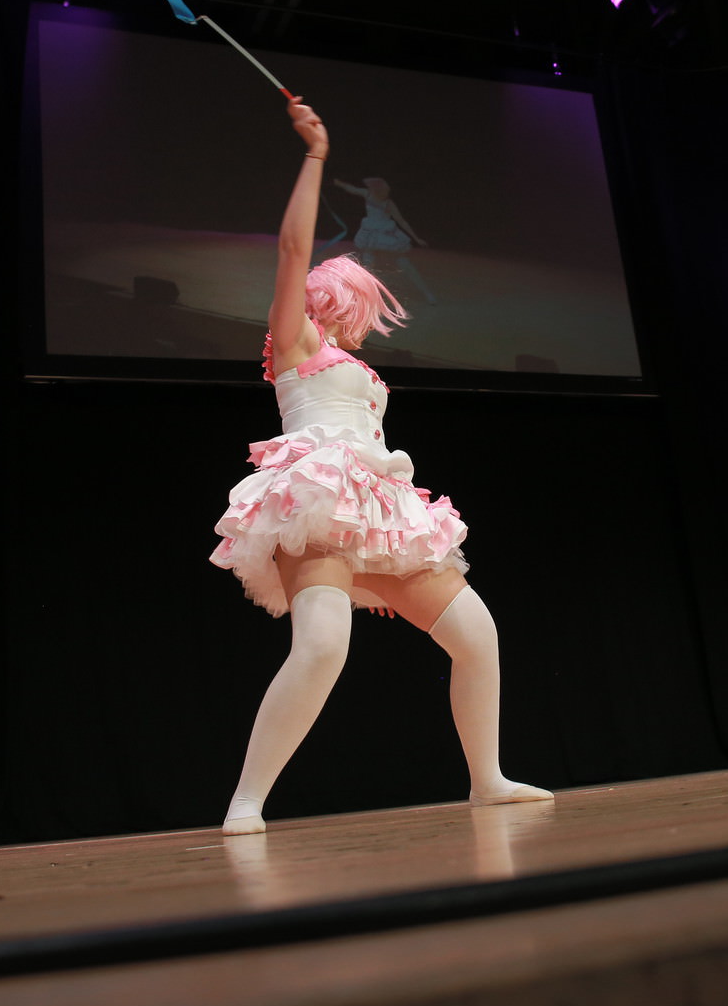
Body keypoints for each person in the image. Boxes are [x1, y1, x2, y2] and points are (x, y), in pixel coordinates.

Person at [209, 96, 551, 836]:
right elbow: (291, 251)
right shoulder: (294, 342)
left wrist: (379, 559)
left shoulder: (351, 362)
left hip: (379, 507)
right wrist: (315, 156)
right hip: (316, 497)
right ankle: (246, 800)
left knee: (477, 636)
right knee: (322, 646)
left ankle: (487, 779)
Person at [335, 175, 438, 304]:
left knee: (402, 262)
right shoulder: (368, 194)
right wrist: (339, 183)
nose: (385, 193)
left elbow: (401, 221)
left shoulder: (388, 203)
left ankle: (427, 293)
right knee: (367, 263)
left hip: (385, 234)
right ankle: (363, 296)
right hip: (371, 233)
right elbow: (352, 189)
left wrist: (416, 238)